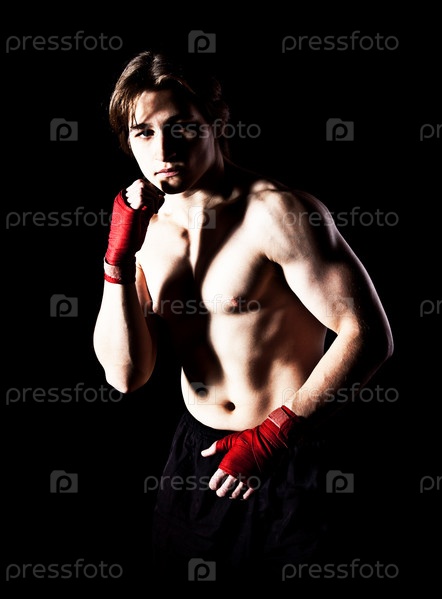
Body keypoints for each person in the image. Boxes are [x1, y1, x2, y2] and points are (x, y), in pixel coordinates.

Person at [93, 49, 394, 584]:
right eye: (144, 133)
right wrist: (117, 261)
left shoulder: (277, 212)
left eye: (181, 128)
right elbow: (125, 375)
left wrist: (275, 436)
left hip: (292, 452)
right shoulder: (145, 229)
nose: (164, 150)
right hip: (200, 457)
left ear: (215, 122)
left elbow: (367, 334)